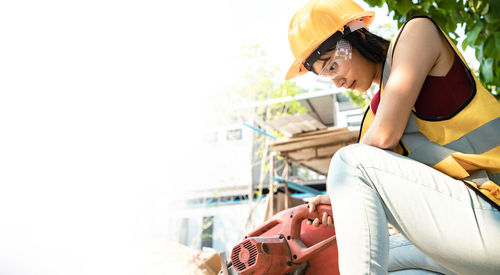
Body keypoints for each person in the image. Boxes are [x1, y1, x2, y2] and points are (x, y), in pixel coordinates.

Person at [285, 0, 500, 274]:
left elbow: (384, 136)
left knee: (349, 163)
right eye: (325, 76)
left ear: (358, 34)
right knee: (379, 260)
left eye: (333, 65)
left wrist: (336, 192)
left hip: (493, 212)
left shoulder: (417, 34)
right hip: (469, 230)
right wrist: (341, 203)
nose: (335, 81)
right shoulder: (372, 122)